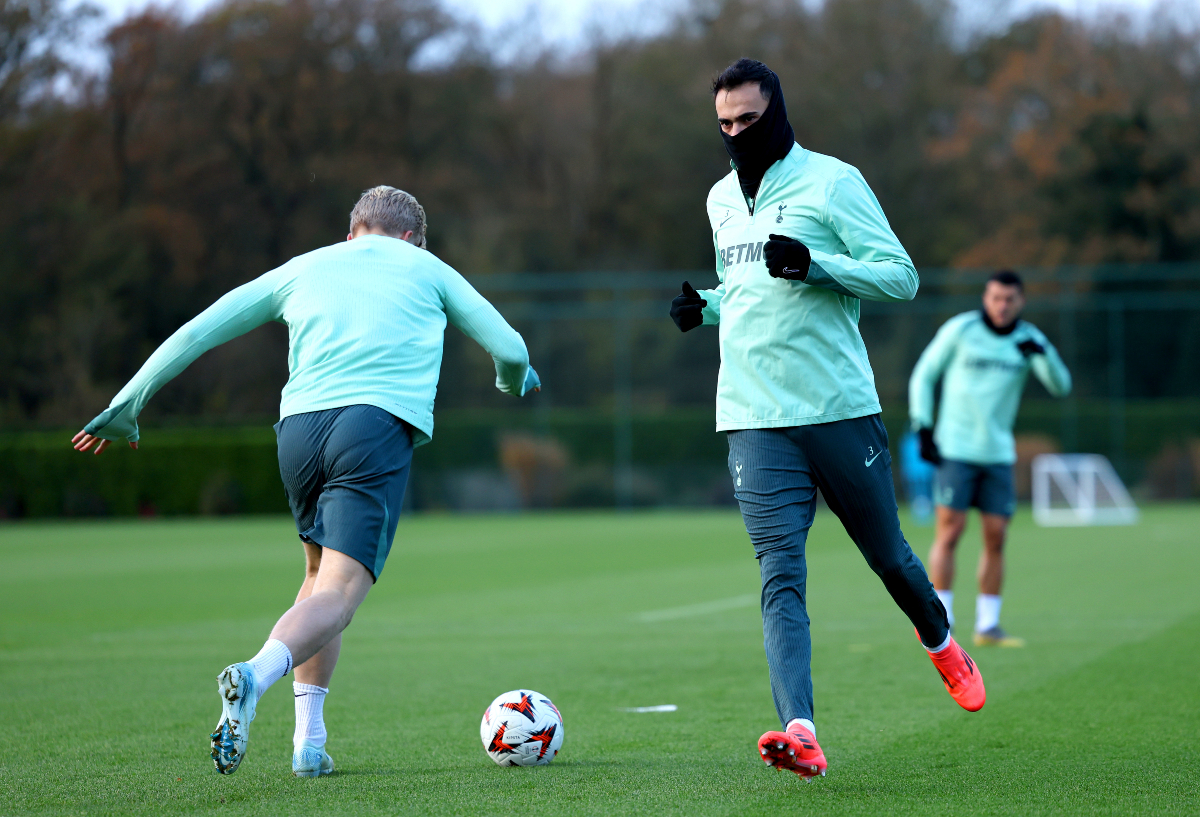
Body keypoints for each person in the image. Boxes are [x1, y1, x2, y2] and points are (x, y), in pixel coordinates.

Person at [72, 186, 540, 777]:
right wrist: (512, 380)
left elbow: (196, 331)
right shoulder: (427, 266)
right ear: (412, 239)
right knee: (340, 597)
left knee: (319, 580)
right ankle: (255, 672)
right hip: (372, 427)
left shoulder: (304, 267)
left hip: (298, 431)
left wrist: (125, 406)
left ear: (353, 232)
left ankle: (308, 744)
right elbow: (511, 347)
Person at [669, 58, 985, 780]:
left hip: (839, 410)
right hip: (751, 414)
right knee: (780, 571)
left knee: (889, 557)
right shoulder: (719, 198)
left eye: (748, 120)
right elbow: (748, 286)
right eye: (724, 124)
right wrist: (706, 305)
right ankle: (800, 730)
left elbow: (900, 276)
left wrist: (819, 264)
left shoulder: (834, 181)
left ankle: (942, 642)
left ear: (776, 111)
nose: (735, 133)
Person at [909, 269, 1071, 647]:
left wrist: (1043, 356)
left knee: (996, 536)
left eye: (1009, 299)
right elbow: (923, 375)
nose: (1002, 305)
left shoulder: (1030, 339)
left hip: (998, 454)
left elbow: (1061, 386)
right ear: (986, 298)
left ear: (1021, 302)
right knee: (949, 532)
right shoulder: (961, 330)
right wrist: (923, 426)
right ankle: (940, 622)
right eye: (996, 297)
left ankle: (988, 626)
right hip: (955, 450)